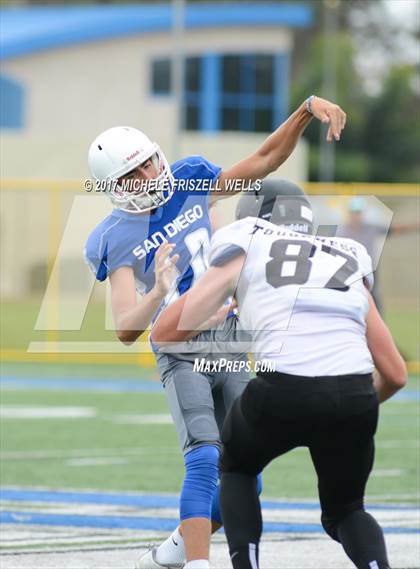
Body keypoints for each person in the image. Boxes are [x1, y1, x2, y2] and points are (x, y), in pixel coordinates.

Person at [84, 96, 346, 569]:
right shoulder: (114, 235)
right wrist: (159, 288)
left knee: (248, 472)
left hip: (228, 340)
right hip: (179, 345)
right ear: (112, 188)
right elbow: (125, 327)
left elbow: (263, 161)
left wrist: (305, 109)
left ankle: (173, 552)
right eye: (131, 176)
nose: (146, 178)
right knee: (205, 457)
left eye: (147, 164)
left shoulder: (189, 178)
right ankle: (199, 564)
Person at [151, 180, 407, 569]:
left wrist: (207, 304)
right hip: (354, 393)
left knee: (235, 470)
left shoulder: (247, 241)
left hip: (282, 387)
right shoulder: (345, 254)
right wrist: (344, 402)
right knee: (347, 511)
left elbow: (165, 333)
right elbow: (395, 373)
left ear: (252, 216)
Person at [336, 196, 420, 312]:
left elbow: (395, 229)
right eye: (353, 212)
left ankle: (377, 322)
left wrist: (415, 225)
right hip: (349, 269)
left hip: (369, 269)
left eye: (358, 212)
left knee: (373, 297)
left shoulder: (371, 228)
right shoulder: (341, 231)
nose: (356, 216)